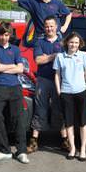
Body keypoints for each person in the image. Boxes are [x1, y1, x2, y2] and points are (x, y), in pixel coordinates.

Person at [0, 22, 29, 164]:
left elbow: (20, 69)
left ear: (9, 35)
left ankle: (21, 151)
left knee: (18, 119)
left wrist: (3, 67)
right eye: (1, 34)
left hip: (15, 87)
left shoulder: (16, 50)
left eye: (6, 35)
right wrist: (12, 66)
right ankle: (5, 150)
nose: (4, 38)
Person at [27, 16, 69, 154]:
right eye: (47, 26)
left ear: (56, 26)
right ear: (44, 28)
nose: (49, 28)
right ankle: (34, 141)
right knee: (40, 109)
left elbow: (67, 59)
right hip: (43, 79)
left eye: (51, 26)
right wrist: (54, 56)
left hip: (60, 80)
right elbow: (38, 60)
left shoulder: (64, 42)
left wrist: (47, 57)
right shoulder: (39, 42)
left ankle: (65, 140)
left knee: (59, 109)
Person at [53, 32, 86, 161]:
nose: (73, 44)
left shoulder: (83, 55)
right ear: (66, 43)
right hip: (66, 93)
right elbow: (57, 75)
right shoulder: (60, 57)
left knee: (83, 122)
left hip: (81, 92)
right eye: (71, 42)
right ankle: (73, 149)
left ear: (79, 44)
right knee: (69, 123)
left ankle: (83, 149)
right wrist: (59, 91)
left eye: (76, 42)